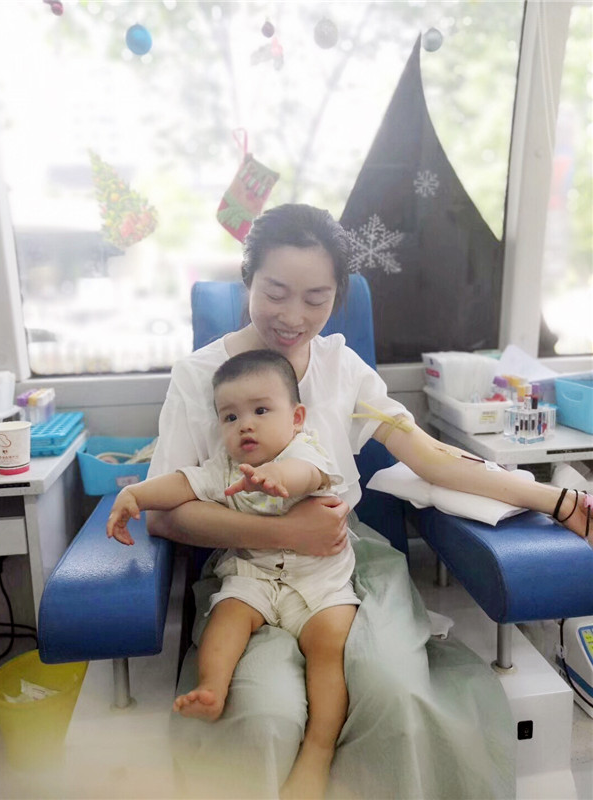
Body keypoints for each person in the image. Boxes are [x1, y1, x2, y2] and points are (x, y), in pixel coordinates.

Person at [146, 204, 590, 800]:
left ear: (339, 297)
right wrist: (284, 533)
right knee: (263, 716)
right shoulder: (199, 375)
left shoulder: (341, 368)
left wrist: (557, 499)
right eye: (275, 292)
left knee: (396, 696)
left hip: (345, 563)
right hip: (246, 571)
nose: (293, 316)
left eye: (316, 298)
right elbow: (164, 512)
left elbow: (430, 456)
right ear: (247, 279)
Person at [107, 349, 359, 798]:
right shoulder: (223, 469)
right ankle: (213, 689)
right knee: (226, 616)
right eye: (230, 416)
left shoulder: (306, 451)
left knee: (330, 644)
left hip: (319, 581)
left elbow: (305, 475)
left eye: (261, 411)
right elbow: (183, 482)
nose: (245, 425)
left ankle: (318, 751)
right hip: (253, 573)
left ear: (296, 417)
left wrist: (276, 477)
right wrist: (137, 496)